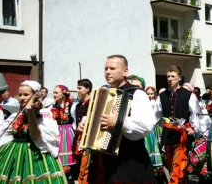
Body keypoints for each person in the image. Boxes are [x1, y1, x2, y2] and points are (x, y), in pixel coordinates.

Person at [87, 55, 156, 184]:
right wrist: (87, 125)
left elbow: (146, 125)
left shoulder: (137, 93)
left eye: (112, 68)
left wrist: (120, 122)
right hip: (103, 162)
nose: (107, 72)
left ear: (125, 71)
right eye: (106, 68)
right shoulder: (103, 93)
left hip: (129, 161)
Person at [0, 80, 67, 183]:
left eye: (26, 95)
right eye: (20, 94)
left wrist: (30, 113)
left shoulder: (43, 115)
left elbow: (36, 136)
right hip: (13, 154)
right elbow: (2, 133)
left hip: (35, 154)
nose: (21, 97)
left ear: (35, 95)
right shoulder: (16, 115)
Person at [154, 65, 211, 183]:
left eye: (173, 76)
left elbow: (196, 113)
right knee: (173, 166)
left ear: (180, 78)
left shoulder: (188, 95)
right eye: (168, 76)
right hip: (167, 135)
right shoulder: (162, 96)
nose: (170, 79)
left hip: (182, 136)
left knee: (178, 165)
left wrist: (194, 128)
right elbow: (156, 116)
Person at [51, 84, 76, 182]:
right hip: (57, 132)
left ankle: (70, 179)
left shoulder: (71, 106)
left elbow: (75, 122)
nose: (54, 94)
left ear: (63, 93)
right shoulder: (53, 106)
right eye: (53, 92)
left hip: (68, 134)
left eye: (56, 92)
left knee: (68, 164)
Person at [71, 78, 93, 184]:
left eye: (80, 88)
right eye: (77, 88)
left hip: (90, 139)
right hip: (79, 138)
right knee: (81, 165)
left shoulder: (93, 103)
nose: (77, 90)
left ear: (87, 89)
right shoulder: (78, 106)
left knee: (89, 166)